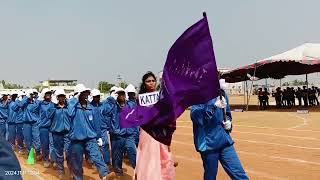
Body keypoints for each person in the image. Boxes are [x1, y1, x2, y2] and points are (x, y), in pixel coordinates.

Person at [190, 80, 248, 180]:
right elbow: (196, 116)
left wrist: (229, 123)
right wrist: (212, 106)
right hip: (208, 144)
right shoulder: (198, 96)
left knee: (239, 174)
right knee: (211, 176)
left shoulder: (222, 93)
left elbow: (227, 113)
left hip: (224, 141)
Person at [67, 84, 115, 180]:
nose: (86, 95)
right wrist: (75, 99)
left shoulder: (91, 108)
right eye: (83, 93)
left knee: (97, 156)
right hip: (77, 139)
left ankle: (104, 175)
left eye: (86, 93)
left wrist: (99, 137)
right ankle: (78, 178)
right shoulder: (73, 106)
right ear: (78, 94)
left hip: (90, 138)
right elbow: (69, 113)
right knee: (77, 162)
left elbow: (96, 124)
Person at [135, 71, 175, 180]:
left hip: (161, 130)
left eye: (153, 81)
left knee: (163, 154)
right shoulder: (140, 99)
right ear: (144, 84)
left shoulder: (161, 96)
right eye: (148, 81)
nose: (151, 83)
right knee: (149, 156)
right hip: (147, 132)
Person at [102, 87, 137, 175]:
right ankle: (118, 171)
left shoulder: (130, 105)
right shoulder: (113, 106)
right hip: (117, 135)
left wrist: (133, 130)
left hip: (129, 134)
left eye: (122, 94)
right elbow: (105, 116)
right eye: (119, 94)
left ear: (125, 95)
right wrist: (112, 129)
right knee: (117, 155)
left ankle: (138, 170)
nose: (121, 96)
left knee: (132, 151)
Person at [48, 89, 72, 179]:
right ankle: (61, 171)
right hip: (56, 133)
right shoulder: (53, 107)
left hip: (67, 133)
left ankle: (71, 170)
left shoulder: (68, 107)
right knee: (59, 153)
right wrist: (53, 107)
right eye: (60, 96)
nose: (62, 98)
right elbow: (48, 116)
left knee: (69, 152)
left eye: (63, 96)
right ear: (57, 97)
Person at [90, 89, 111, 167]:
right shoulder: (90, 107)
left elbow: (108, 115)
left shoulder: (104, 105)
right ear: (93, 97)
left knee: (105, 144)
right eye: (95, 97)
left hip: (103, 129)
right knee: (95, 146)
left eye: (98, 96)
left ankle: (107, 161)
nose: (97, 98)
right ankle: (95, 161)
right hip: (93, 129)